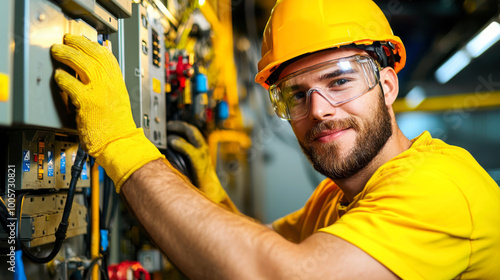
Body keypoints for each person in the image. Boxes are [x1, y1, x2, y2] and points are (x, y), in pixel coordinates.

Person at [50, 0, 500, 278]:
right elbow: (247, 255)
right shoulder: (335, 197)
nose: (320, 110)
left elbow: (274, 276)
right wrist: (213, 197)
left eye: (340, 81)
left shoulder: (439, 186)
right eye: (296, 95)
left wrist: (122, 144)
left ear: (386, 86)